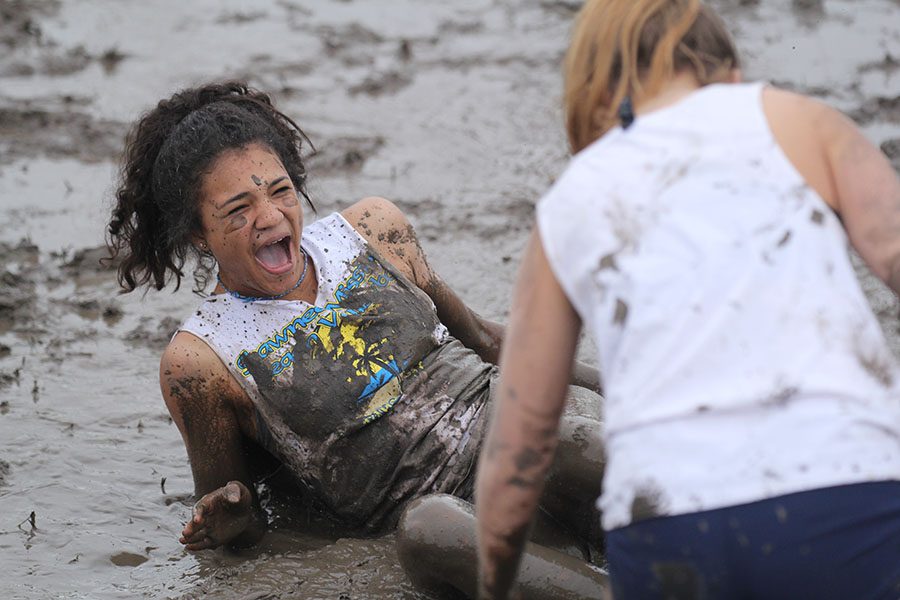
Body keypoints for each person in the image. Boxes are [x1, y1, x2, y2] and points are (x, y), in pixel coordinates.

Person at [106, 81, 608, 598]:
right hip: (467, 518)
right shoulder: (201, 360)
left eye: (280, 191)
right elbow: (240, 521)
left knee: (564, 438)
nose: (272, 217)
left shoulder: (371, 229)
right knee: (427, 528)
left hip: (544, 436)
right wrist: (233, 515)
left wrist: (617, 380)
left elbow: (484, 338)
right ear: (196, 233)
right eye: (239, 210)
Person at [475, 0, 900, 598]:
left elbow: (521, 444)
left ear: (599, 92)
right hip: (844, 491)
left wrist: (494, 583)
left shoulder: (570, 202)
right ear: (727, 71)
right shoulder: (801, 122)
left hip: (668, 527)